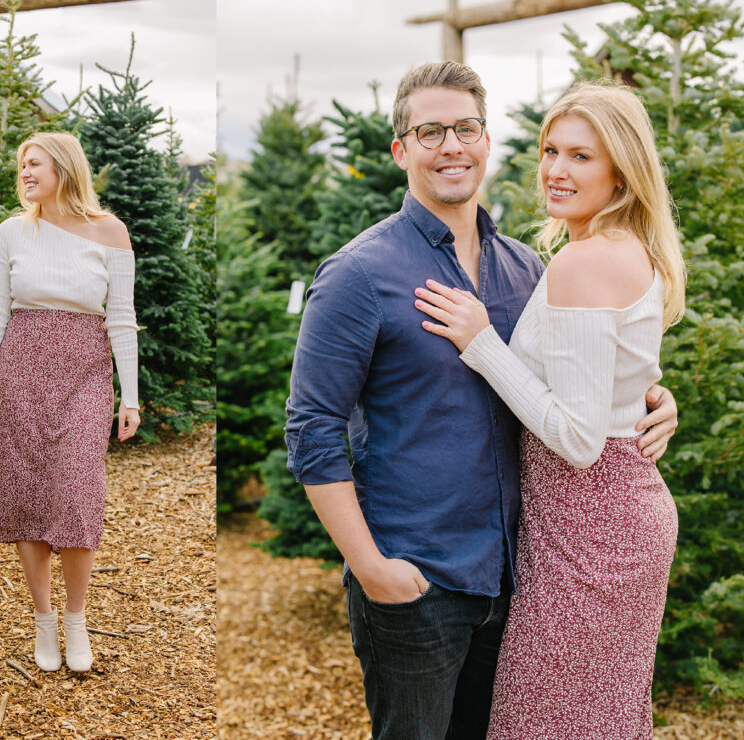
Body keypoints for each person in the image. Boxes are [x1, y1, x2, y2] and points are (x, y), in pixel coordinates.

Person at [283, 62, 679, 740]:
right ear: (401, 149)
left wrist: (649, 400)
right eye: (429, 131)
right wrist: (372, 566)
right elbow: (311, 428)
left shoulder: (526, 267)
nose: (451, 146)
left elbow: (575, 379)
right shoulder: (359, 273)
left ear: (488, 140)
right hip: (419, 579)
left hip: (520, 576)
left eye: (465, 127)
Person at [415, 82, 685, 739]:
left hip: (595, 530)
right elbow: (613, 374)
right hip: (610, 516)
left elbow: (578, 436)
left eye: (581, 157)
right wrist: (654, 396)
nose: (556, 171)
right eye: (550, 150)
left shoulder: (583, 263)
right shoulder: (622, 248)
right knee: (595, 719)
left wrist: (481, 342)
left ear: (621, 167)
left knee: (540, 719)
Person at [0, 131, 140, 673]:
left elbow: (121, 318)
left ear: (63, 167)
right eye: (21, 165)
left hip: (86, 377)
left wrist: (128, 397)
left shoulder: (110, 232)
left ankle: (76, 619)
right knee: (28, 496)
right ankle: (43, 621)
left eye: (34, 163)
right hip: (21, 374)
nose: (25, 173)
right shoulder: (12, 233)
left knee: (77, 493)